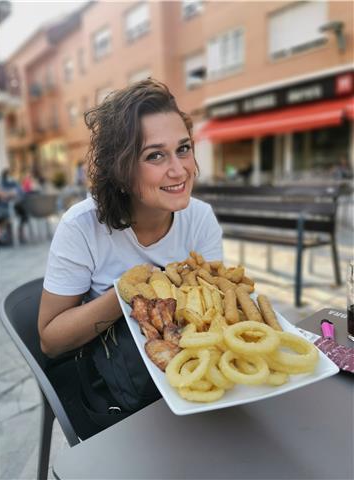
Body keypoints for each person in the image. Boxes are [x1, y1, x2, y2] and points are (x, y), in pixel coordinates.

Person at [38, 79, 223, 439]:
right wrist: (126, 294)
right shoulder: (81, 227)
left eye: (183, 149)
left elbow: (217, 311)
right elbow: (50, 340)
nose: (179, 170)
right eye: (155, 155)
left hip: (195, 391)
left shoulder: (200, 218)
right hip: (123, 399)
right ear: (120, 170)